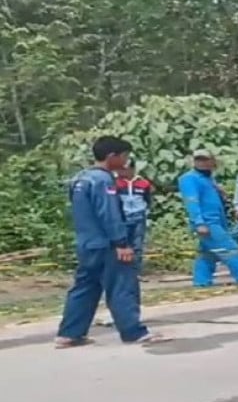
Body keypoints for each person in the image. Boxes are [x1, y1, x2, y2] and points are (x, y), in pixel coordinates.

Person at [55, 136, 167, 348]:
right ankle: (133, 332)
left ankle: (69, 334)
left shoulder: (80, 178)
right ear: (111, 156)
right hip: (107, 243)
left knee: (85, 287)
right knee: (122, 285)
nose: (126, 161)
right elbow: (109, 214)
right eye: (124, 156)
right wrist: (121, 243)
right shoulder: (104, 180)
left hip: (86, 243)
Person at [178, 149, 238, 288]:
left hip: (218, 220)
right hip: (208, 222)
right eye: (199, 160)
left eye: (206, 159)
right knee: (230, 249)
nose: (202, 163)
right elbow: (192, 202)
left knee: (207, 254)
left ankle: (201, 282)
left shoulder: (209, 179)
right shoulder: (189, 178)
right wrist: (199, 223)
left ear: (213, 161)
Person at [96, 159, 153, 329]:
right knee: (117, 263)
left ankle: (131, 306)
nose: (124, 171)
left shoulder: (143, 183)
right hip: (121, 221)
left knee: (134, 258)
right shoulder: (112, 183)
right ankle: (117, 310)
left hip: (138, 219)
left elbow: (148, 200)